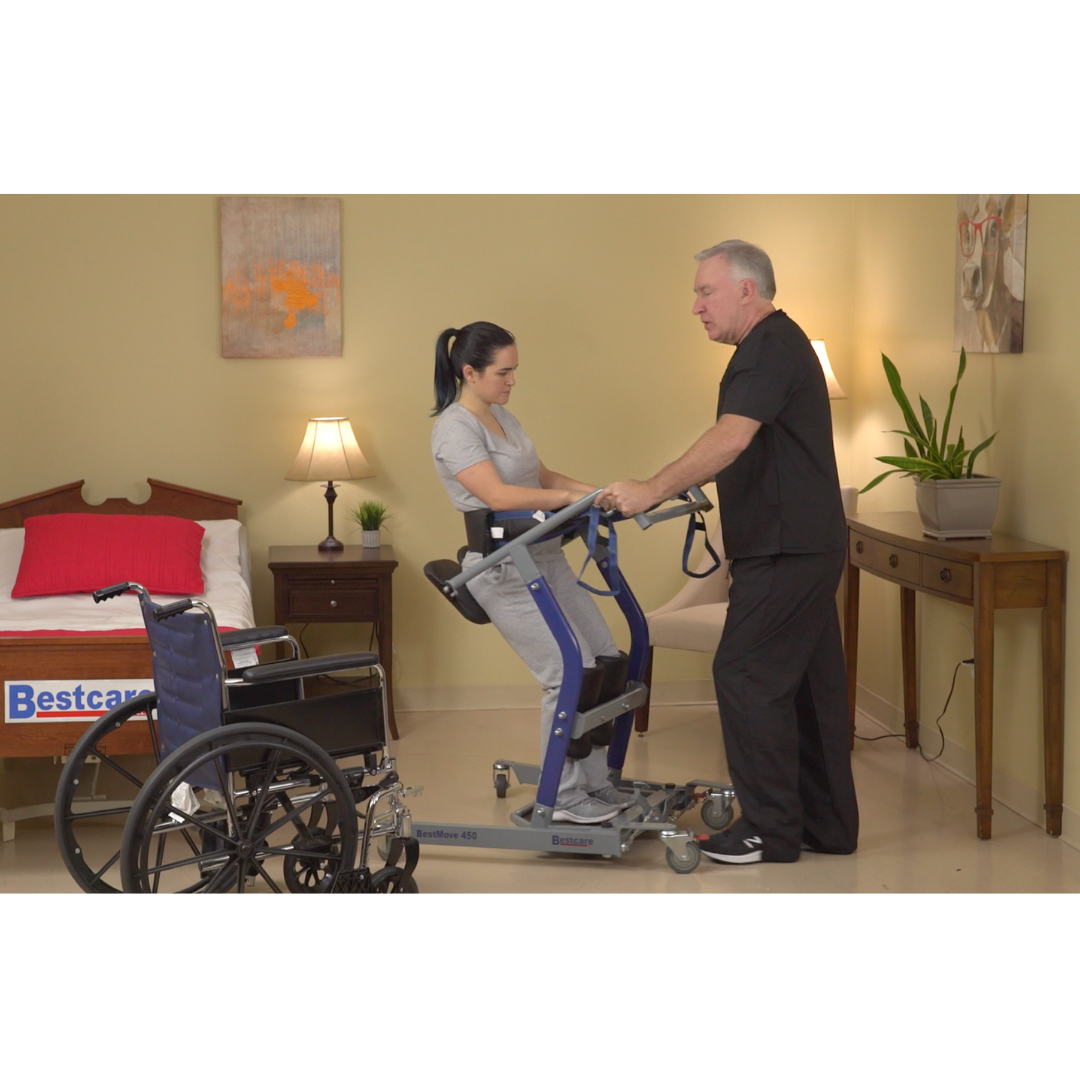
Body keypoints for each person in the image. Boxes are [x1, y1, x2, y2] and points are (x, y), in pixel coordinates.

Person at [601, 241, 859, 865]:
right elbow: (752, 446)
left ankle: (769, 830)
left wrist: (650, 489)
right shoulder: (777, 345)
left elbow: (732, 436)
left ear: (748, 289)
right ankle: (825, 827)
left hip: (785, 550)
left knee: (743, 674)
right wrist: (690, 482)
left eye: (704, 291)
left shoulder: (767, 346)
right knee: (808, 686)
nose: (695, 306)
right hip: (806, 544)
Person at [430, 321, 634, 824]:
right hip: (503, 569)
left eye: (514, 371)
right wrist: (568, 500)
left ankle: (592, 784)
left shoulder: (504, 418)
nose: (512, 381)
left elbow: (542, 477)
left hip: (544, 559)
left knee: (604, 661)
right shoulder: (454, 428)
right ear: (469, 372)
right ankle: (561, 798)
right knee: (566, 671)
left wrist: (596, 492)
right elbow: (498, 496)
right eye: (503, 372)